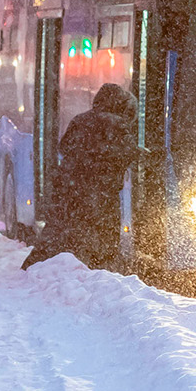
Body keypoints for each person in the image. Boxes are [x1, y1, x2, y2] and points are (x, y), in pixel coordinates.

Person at [22, 83, 140, 271]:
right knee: (103, 241)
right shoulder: (117, 124)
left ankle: (34, 268)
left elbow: (64, 147)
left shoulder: (80, 119)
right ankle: (97, 273)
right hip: (100, 193)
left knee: (57, 233)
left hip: (69, 188)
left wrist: (83, 159)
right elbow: (126, 153)